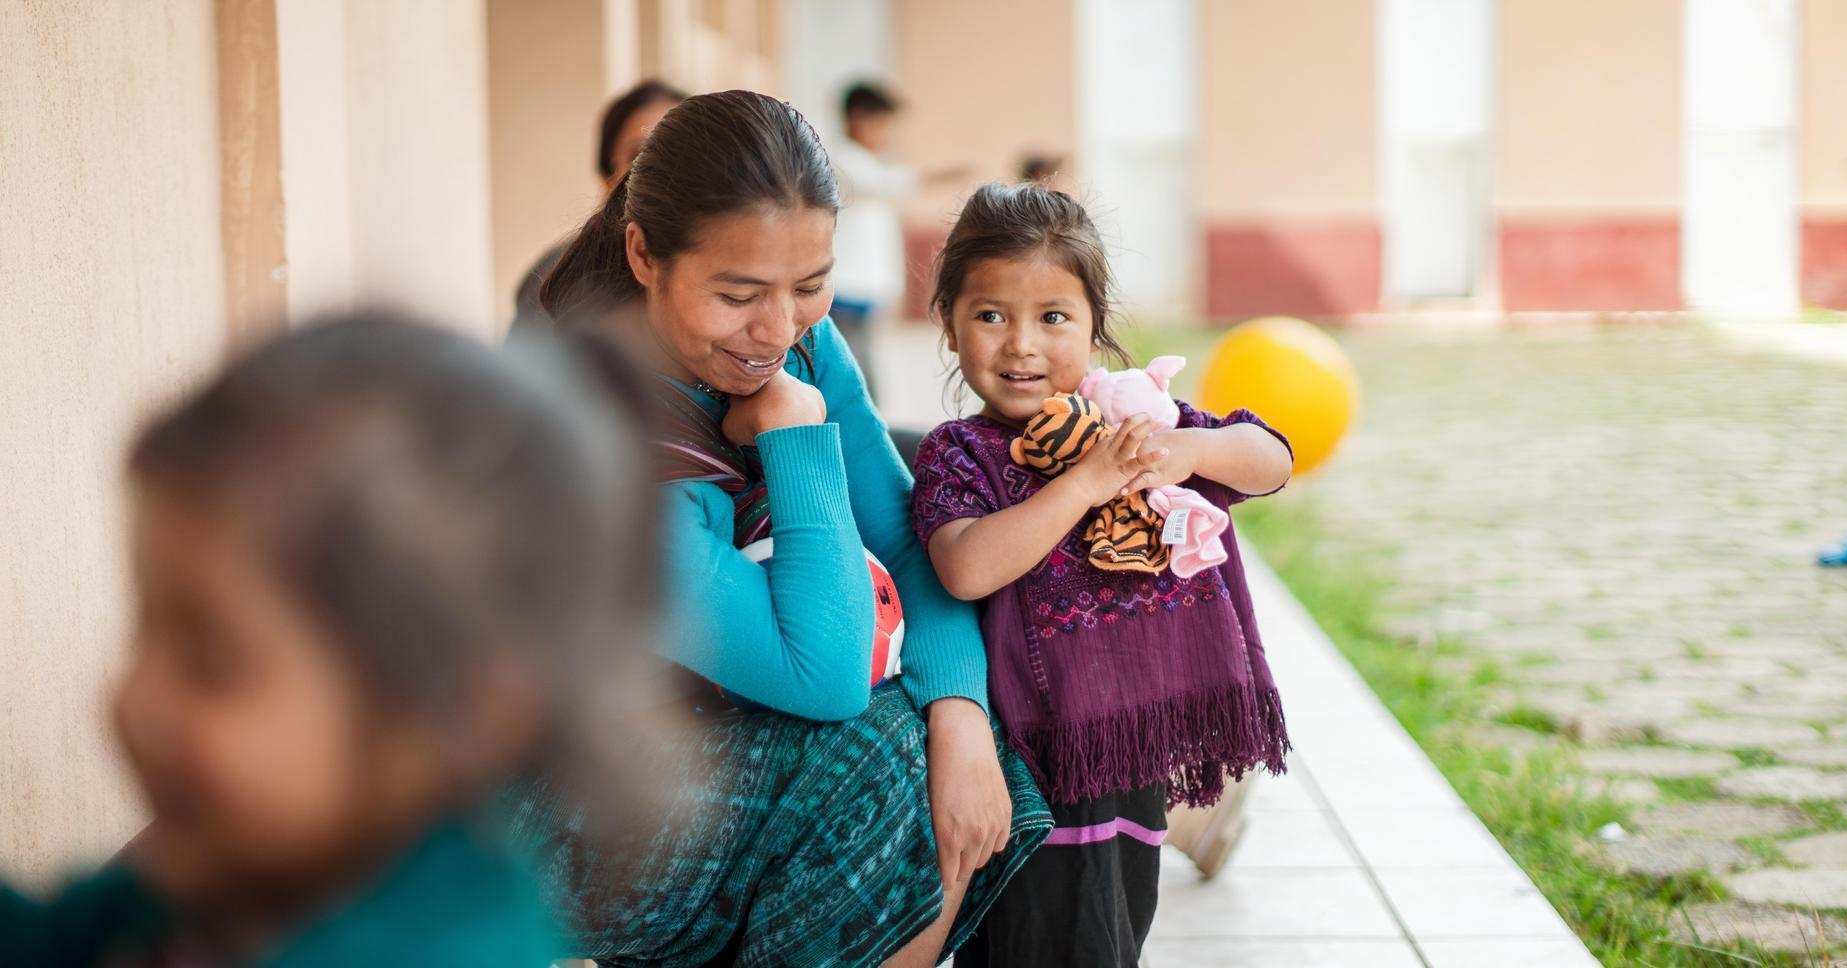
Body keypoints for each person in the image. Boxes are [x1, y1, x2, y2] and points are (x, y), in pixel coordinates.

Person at [0, 311, 663, 965]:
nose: (136, 698)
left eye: (211, 663)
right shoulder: (239, 866)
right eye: (143, 629)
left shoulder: (440, 945)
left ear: (461, 710)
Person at [521, 90, 1051, 967]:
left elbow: (909, 540)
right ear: (644, 253)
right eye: (737, 294)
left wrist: (959, 716)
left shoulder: (797, 340)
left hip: (693, 726)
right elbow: (826, 674)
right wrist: (798, 432)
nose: (776, 329)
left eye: (809, 286)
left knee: (969, 734)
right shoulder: (592, 437)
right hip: (570, 809)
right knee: (878, 759)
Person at [908, 183, 1295, 967]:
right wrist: (1081, 483)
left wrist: (1188, 450)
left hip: (1126, 752)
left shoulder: (1133, 414)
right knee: (1045, 941)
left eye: (1053, 317)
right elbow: (964, 566)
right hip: (1033, 763)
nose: (1020, 344)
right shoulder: (960, 452)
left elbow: (1270, 459)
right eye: (990, 315)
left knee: (1113, 932)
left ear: (1093, 325)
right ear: (949, 324)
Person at [829, 81, 969, 400]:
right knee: (850, 370)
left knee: (862, 367)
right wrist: (937, 175)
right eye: (882, 124)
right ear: (858, 118)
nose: (886, 134)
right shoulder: (840, 161)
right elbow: (884, 184)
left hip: (863, 288)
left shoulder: (868, 161)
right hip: (846, 287)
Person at [512, 79, 688, 329]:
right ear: (608, 179)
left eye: (677, 153)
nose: (664, 171)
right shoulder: (555, 280)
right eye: (640, 156)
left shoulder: (732, 263)